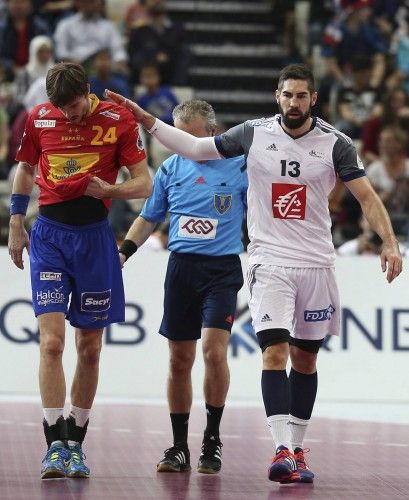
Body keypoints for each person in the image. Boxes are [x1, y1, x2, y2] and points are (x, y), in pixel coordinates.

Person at [106, 63, 402, 484]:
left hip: (317, 263)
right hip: (269, 263)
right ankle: (281, 447)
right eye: (287, 95)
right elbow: (194, 147)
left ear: (313, 99)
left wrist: (389, 241)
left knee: (305, 360)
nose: (293, 102)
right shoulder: (254, 134)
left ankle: (297, 448)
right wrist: (145, 119)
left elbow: (367, 197)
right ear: (277, 96)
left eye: (301, 96)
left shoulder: (337, 144)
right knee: (275, 353)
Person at [8, 62, 152, 480]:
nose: (69, 115)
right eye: (62, 109)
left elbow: (143, 183)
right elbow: (25, 169)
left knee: (89, 347)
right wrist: (17, 222)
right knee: (51, 344)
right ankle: (54, 444)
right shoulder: (40, 117)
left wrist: (111, 190)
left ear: (88, 91)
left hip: (94, 239)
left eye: (74, 106)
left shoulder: (117, 119)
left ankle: (76, 442)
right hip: (50, 237)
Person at [118, 99, 248, 474]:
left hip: (221, 269)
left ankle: (212, 439)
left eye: (189, 138)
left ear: (213, 131)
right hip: (181, 269)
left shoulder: (240, 166)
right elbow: (149, 218)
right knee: (179, 360)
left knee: (213, 352)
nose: (183, 146)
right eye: (176, 138)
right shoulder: (171, 168)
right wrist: (124, 252)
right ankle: (178, 446)